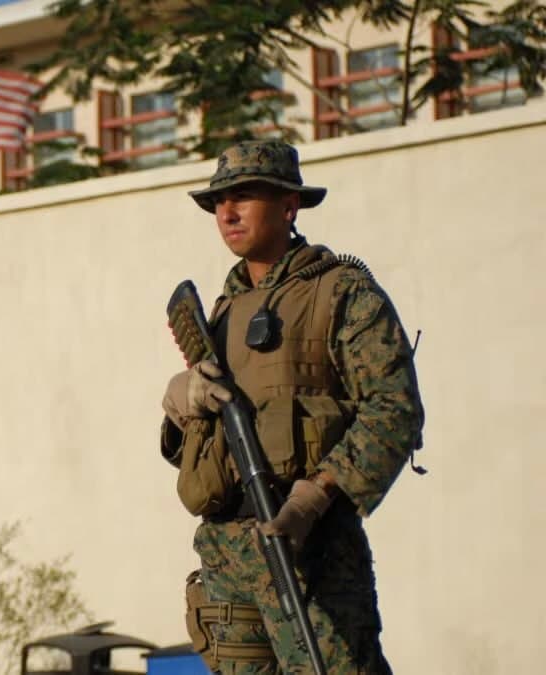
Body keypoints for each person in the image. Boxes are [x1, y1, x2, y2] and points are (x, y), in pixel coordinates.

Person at [159, 140, 425, 674]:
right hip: (228, 558)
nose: (227, 213)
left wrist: (315, 495)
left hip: (310, 550)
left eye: (244, 197)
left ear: (289, 206)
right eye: (219, 202)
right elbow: (199, 449)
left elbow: (394, 411)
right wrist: (180, 406)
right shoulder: (221, 311)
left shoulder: (340, 293)